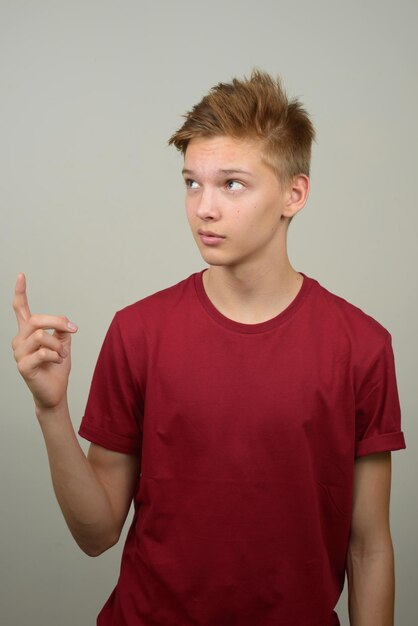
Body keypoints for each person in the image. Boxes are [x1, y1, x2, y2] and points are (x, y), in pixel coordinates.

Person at [12, 70, 406, 626]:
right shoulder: (138, 333)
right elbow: (96, 533)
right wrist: (51, 412)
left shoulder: (361, 347)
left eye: (232, 184)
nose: (204, 208)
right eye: (192, 183)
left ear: (294, 193)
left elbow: (369, 549)